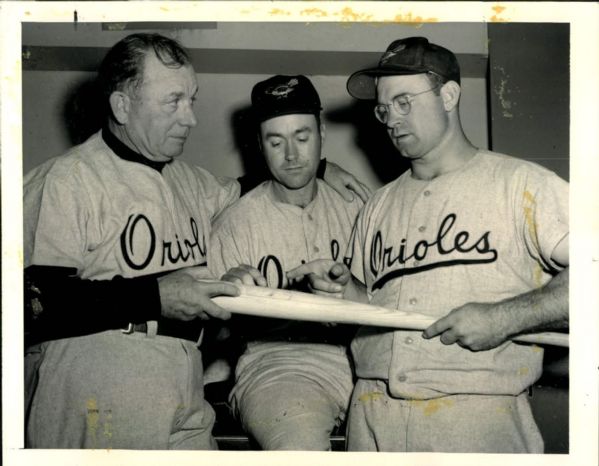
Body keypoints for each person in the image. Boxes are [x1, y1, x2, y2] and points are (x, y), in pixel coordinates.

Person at [23, 33, 369, 449]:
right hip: (99, 378)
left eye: (192, 100)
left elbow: (266, 176)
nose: (190, 118)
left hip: (182, 383)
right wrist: (155, 296)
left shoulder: (190, 181)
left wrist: (323, 166)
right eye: (173, 102)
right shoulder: (66, 179)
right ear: (121, 105)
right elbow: (31, 303)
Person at [288, 36, 569, 453]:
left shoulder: (521, 185)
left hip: (475, 418)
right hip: (371, 416)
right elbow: (378, 309)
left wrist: (504, 318)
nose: (390, 120)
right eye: (383, 109)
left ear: (449, 95)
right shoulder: (377, 205)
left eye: (404, 102)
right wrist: (344, 292)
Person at [209, 75, 363, 450]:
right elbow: (212, 334)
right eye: (276, 142)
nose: (291, 155)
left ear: (322, 133)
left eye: (303, 137)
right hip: (278, 364)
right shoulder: (235, 222)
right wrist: (229, 298)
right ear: (259, 146)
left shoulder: (355, 207)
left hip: (362, 362)